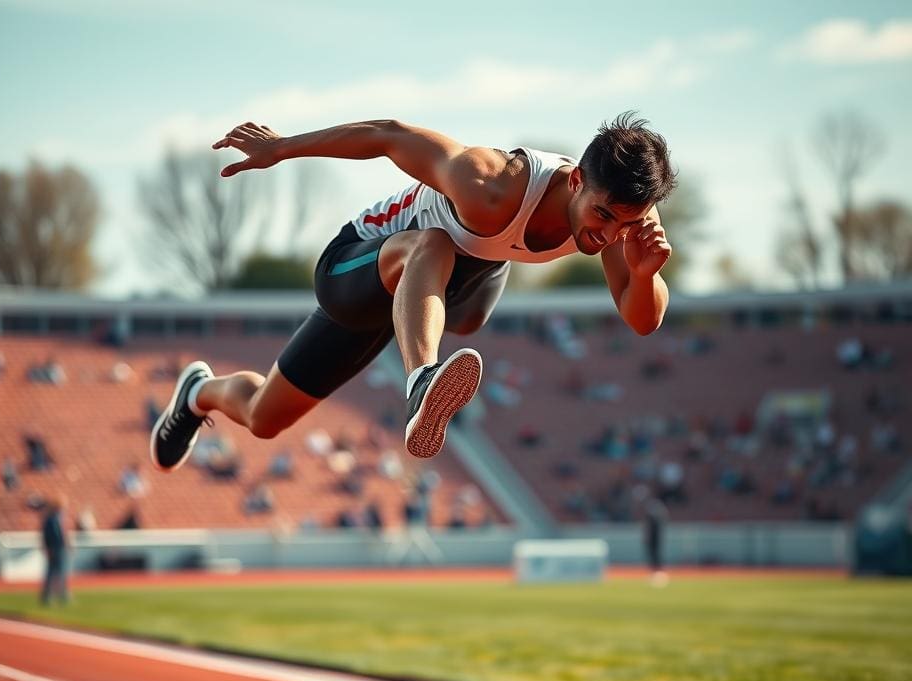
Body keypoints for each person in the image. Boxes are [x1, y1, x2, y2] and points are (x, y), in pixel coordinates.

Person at [151, 113, 675, 471]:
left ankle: (196, 392)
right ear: (578, 180)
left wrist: (646, 272)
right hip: (360, 269)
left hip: (433, 294)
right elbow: (388, 134)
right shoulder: (489, 183)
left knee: (265, 417)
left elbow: (640, 319)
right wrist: (281, 148)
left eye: (624, 225)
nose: (607, 236)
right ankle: (423, 380)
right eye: (602, 217)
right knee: (435, 243)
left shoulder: (625, 219)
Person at [40, 493, 70, 605]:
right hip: (54, 549)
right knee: (53, 572)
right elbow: (47, 535)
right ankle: (48, 596)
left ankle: (62, 594)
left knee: (61, 572)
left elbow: (63, 534)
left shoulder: (59, 517)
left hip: (60, 548)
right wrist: (48, 548)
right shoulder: (50, 519)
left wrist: (67, 544)